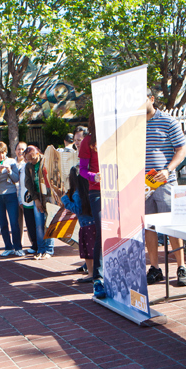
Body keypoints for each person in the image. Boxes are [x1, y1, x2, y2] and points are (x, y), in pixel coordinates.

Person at [144, 89, 186, 287]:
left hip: (165, 183)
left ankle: (181, 267)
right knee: (149, 227)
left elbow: (181, 149)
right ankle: (155, 268)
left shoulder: (168, 121)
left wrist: (168, 170)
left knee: (172, 225)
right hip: (142, 186)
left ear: (151, 99)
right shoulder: (132, 125)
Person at [78, 114, 105, 298]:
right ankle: (98, 279)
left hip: (118, 190)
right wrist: (93, 176)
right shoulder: (87, 141)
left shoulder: (118, 137)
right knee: (102, 231)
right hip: (97, 191)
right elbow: (82, 170)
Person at [0, 140, 24, 257]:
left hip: (11, 194)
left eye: (3, 152)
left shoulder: (12, 162)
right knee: (2, 223)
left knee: (14, 222)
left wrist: (9, 171)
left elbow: (16, 179)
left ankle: (18, 247)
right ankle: (8, 247)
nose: (1, 155)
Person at [61, 166, 95, 283]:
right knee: (95, 250)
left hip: (86, 225)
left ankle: (91, 273)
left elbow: (77, 209)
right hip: (95, 223)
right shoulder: (91, 189)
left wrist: (65, 200)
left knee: (88, 252)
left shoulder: (76, 194)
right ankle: (96, 272)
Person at [24, 145, 56, 260]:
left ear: (38, 153)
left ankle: (49, 249)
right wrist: (36, 199)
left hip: (48, 196)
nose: (32, 161)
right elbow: (28, 183)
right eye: (29, 159)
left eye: (33, 158)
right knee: (39, 224)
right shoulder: (28, 166)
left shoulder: (46, 160)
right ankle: (41, 249)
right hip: (37, 196)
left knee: (49, 223)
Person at [15, 141, 38, 255]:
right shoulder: (22, 168)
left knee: (38, 222)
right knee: (30, 223)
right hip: (26, 200)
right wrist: (20, 200)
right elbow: (21, 186)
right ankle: (34, 244)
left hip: (36, 199)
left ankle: (41, 244)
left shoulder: (35, 166)